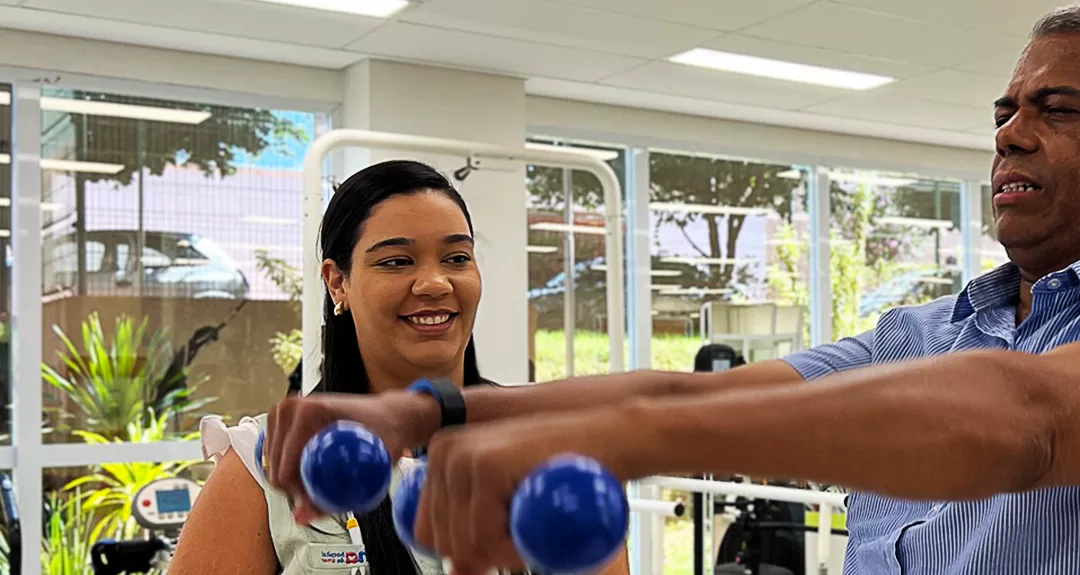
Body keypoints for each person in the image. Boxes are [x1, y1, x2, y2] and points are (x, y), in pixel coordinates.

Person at [261, 5, 1080, 575]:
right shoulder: (921, 332)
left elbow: (1029, 416)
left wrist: (634, 439)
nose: (1009, 131)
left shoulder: (1016, 376)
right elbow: (687, 391)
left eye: (1057, 108)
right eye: (1005, 111)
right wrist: (437, 411)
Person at [168, 159, 630, 575]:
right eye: (396, 261)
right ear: (338, 283)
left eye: (456, 258)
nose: (434, 282)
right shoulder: (264, 467)